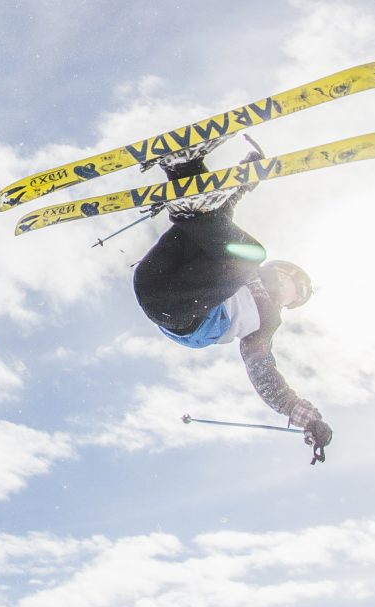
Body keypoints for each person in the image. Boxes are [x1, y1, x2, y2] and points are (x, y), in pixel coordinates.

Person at [131, 148, 332, 464]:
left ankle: (187, 198)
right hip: (153, 277)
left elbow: (263, 373)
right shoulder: (241, 267)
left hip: (180, 312)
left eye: (298, 295)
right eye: (293, 281)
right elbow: (217, 218)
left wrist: (307, 418)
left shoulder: (267, 322)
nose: (291, 290)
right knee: (213, 225)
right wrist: (245, 180)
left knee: (243, 248)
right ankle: (183, 166)